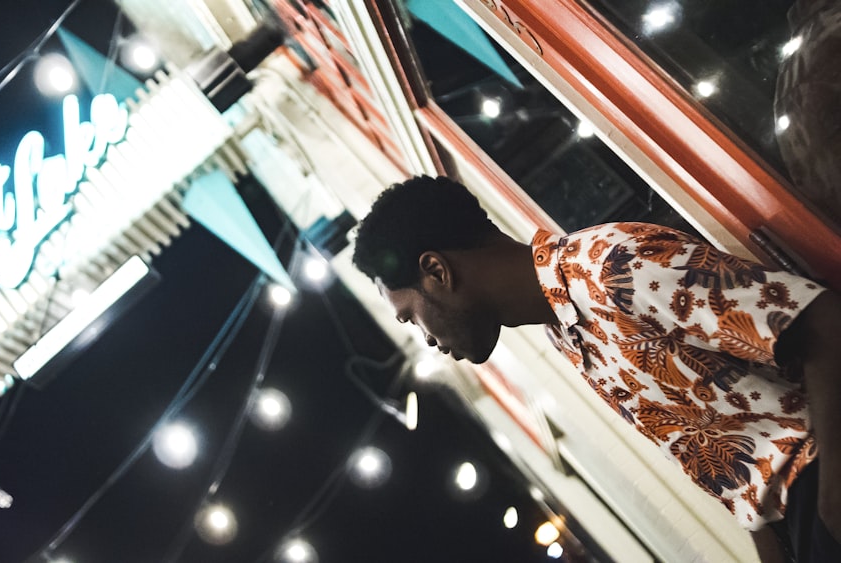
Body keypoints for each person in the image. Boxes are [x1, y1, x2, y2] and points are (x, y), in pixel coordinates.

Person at [351, 175, 841, 562]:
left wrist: (829, 516)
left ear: (438, 270)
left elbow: (821, 321)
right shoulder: (565, 332)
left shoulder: (612, 265)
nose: (428, 339)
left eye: (410, 315)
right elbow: (737, 474)